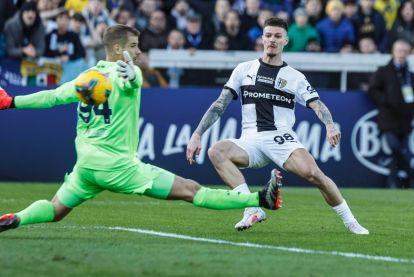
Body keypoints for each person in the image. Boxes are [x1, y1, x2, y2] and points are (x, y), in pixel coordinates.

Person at [0, 24, 280, 233]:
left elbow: (50, 97)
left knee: (56, 209)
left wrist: (10, 101)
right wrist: (132, 74)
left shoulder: (85, 78)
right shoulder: (127, 74)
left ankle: (17, 217)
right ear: (120, 50)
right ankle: (259, 198)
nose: (139, 51)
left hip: (86, 167)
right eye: (134, 45)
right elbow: (130, 80)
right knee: (191, 190)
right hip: (118, 167)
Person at [186, 17, 369, 235]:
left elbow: (317, 104)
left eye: (277, 36)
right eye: (268, 35)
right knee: (216, 151)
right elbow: (220, 104)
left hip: (280, 137)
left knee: (314, 174)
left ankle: (351, 221)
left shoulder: (295, 77)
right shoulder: (243, 69)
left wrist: (329, 125)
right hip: (250, 140)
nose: (272, 40)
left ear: (286, 41)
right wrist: (197, 134)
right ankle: (252, 209)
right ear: (262, 38)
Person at [368, 39, 414, 188]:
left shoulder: (410, 74)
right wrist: (386, 100)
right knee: (395, 148)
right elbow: (372, 90)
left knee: (400, 151)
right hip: (388, 119)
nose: (401, 54)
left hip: (405, 120)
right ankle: (410, 176)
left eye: (404, 51)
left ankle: (393, 182)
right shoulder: (383, 71)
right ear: (393, 52)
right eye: (399, 51)